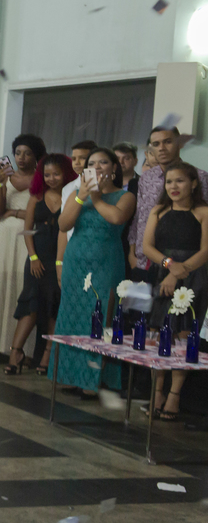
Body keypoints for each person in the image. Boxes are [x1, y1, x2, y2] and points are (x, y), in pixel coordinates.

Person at [50, 148, 134, 399]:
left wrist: (96, 198)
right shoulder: (77, 193)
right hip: (76, 261)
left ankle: (93, 377)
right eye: (92, 163)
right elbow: (63, 225)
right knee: (72, 316)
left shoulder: (125, 196)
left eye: (103, 162)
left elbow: (116, 218)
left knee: (100, 316)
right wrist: (81, 197)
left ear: (114, 168)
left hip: (106, 262)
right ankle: (69, 375)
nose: (96, 167)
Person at [141, 162, 208, 422]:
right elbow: (147, 247)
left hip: (194, 275)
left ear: (193, 183)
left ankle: (174, 395)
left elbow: (205, 250)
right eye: (169, 182)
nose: (173, 187)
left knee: (182, 334)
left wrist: (179, 271)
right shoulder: (158, 210)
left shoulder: (203, 211)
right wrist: (169, 266)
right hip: (162, 273)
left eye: (180, 181)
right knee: (158, 334)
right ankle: (156, 393)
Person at [3, 154, 74, 375]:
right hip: (37, 257)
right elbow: (27, 230)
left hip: (62, 258)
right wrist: (33, 257)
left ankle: (47, 355)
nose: (51, 178)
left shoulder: (72, 196)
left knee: (54, 306)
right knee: (30, 305)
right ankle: (16, 352)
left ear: (66, 174)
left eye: (56, 174)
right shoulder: (36, 197)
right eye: (47, 175)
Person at [0, 135, 45, 364]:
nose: (21, 158)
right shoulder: (6, 177)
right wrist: (0, 183)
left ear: (36, 156)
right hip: (6, 234)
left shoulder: (42, 178)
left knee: (22, 287)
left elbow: (40, 211)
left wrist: (16, 212)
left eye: (27, 153)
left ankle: (22, 350)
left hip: (29, 235)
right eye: (18, 153)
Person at [130, 127, 208, 275]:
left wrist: (179, 267)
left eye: (167, 142)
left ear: (179, 144)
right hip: (145, 259)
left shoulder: (200, 177)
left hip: (187, 264)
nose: (162, 148)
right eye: (156, 144)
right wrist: (132, 250)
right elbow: (139, 216)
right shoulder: (146, 177)